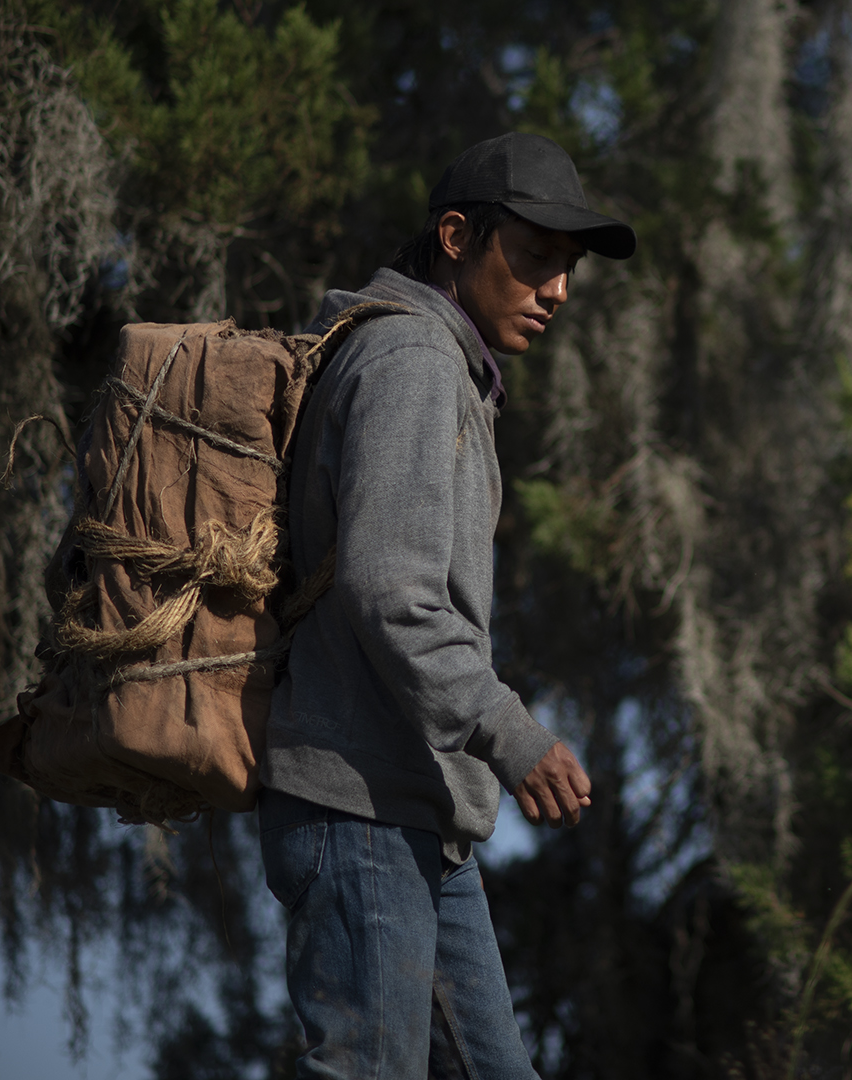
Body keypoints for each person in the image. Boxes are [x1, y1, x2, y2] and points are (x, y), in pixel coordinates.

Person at [259, 132, 635, 1079]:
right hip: (361, 811)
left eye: (570, 267)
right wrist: (509, 734)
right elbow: (392, 591)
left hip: (412, 817)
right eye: (537, 256)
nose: (558, 289)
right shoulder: (414, 360)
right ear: (457, 236)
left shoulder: (432, 362)